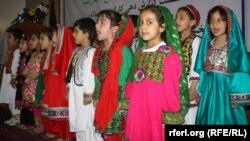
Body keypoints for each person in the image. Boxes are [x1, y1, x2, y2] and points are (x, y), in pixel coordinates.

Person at [125, 5, 189, 141]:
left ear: (162, 26)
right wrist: (128, 100)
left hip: (156, 110)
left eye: (149, 22)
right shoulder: (140, 52)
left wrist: (169, 114)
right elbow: (133, 78)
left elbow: (172, 88)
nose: (143, 27)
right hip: (137, 106)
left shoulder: (169, 55)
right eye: (141, 22)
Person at [194, 5, 250, 125]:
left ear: (229, 22)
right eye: (212, 21)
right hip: (209, 92)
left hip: (225, 92)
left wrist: (236, 97)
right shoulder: (209, 44)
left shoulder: (234, 46)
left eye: (219, 20)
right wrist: (201, 90)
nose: (214, 24)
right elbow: (204, 70)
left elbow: (239, 72)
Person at [92, 10, 133, 141]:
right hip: (105, 97)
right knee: (107, 134)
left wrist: (121, 101)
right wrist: (97, 95)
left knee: (119, 133)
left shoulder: (123, 50)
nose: (97, 26)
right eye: (97, 22)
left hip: (118, 100)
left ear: (115, 29)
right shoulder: (100, 51)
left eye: (102, 23)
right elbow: (97, 75)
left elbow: (126, 80)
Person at [67, 18, 103, 141]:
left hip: (85, 96)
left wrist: (88, 94)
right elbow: (69, 72)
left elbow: (90, 74)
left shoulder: (92, 51)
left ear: (86, 33)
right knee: (78, 124)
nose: (73, 34)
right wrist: (68, 88)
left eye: (76, 31)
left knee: (88, 127)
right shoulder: (76, 51)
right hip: (75, 93)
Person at [41, 25, 76, 140]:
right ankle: (56, 131)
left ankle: (66, 135)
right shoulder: (55, 50)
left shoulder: (67, 50)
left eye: (56, 34)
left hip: (61, 85)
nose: (54, 37)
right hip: (53, 84)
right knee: (54, 108)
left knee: (62, 108)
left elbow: (66, 70)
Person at [175, 4, 201, 125]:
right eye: (176, 17)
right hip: (174, 86)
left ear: (192, 22)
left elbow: (196, 65)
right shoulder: (173, 42)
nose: (176, 20)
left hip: (189, 86)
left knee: (189, 119)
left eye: (181, 18)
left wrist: (193, 88)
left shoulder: (196, 40)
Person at [0, 28, 22, 125]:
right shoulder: (10, 50)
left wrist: (13, 77)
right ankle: (11, 116)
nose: (7, 39)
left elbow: (16, 65)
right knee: (7, 95)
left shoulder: (18, 51)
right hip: (7, 77)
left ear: (17, 40)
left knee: (12, 96)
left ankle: (16, 116)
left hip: (12, 78)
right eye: (7, 37)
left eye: (10, 37)